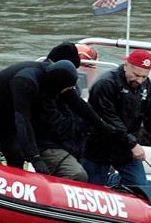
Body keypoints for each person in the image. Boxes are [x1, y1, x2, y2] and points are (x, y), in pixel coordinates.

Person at [0, 58, 79, 172]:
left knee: (17, 158)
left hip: (5, 115)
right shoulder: (26, 80)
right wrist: (35, 159)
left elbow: (80, 107)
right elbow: (23, 121)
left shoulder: (50, 80)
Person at [83, 49, 151, 186]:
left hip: (125, 148)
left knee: (138, 184)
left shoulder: (148, 87)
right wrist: (132, 144)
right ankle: (105, 179)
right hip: (98, 145)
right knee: (94, 186)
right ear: (126, 65)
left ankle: (114, 182)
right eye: (136, 75)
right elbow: (109, 119)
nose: (139, 80)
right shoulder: (105, 83)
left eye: (144, 77)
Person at [33, 42, 111, 182]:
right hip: (51, 142)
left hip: (72, 141)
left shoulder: (75, 91)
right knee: (78, 173)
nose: (81, 74)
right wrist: (86, 125)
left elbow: (81, 109)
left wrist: (100, 125)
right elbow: (57, 123)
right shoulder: (47, 89)